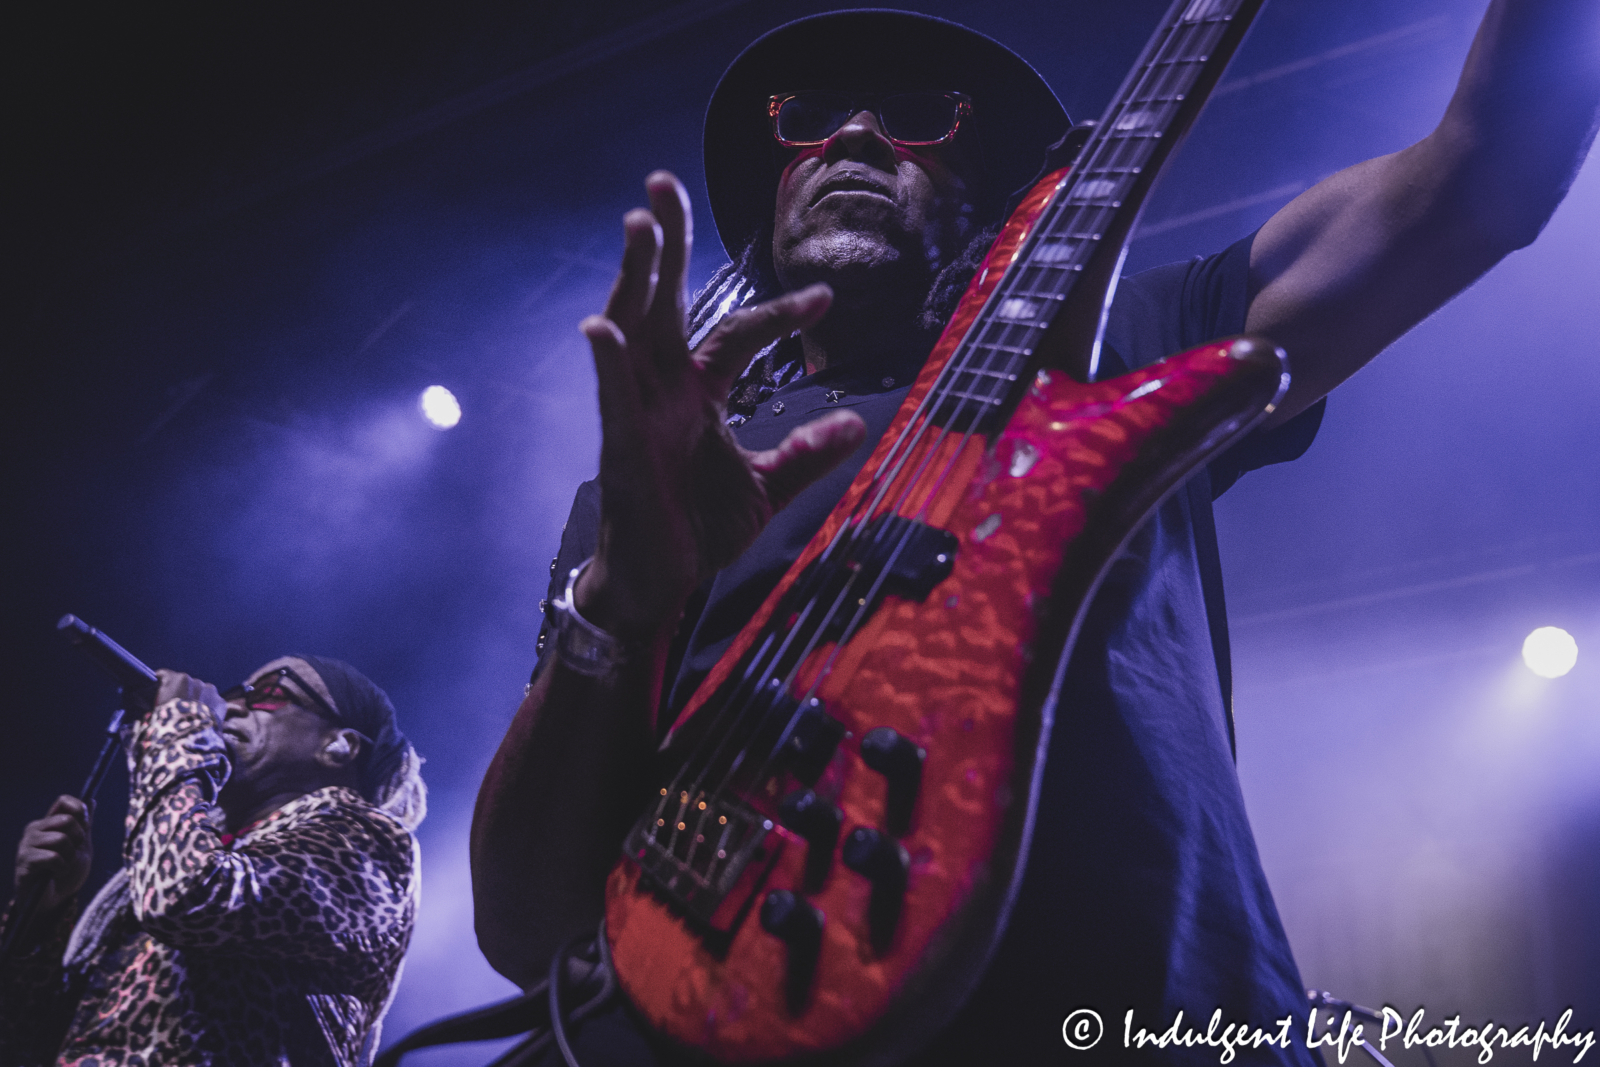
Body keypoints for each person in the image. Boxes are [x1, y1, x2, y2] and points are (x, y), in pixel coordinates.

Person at [469, 5, 1599, 1063]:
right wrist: (621, 593)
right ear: (769, 207)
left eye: (914, 117)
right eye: (808, 122)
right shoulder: (657, 479)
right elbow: (529, 925)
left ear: (996, 196)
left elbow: (1480, 180)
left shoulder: (1136, 338)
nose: (853, 136)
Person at [1, 655, 427, 1066]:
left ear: (339, 744)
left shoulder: (369, 847)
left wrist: (175, 728)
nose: (231, 705)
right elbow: (27, 1043)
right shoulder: (193, 842)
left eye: (267, 694)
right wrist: (43, 918)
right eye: (232, 693)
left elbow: (182, 896)